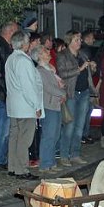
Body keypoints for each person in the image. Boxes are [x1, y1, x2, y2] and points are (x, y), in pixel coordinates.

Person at [5, 31, 43, 179]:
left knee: (15, 136)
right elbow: (28, 86)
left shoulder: (11, 59)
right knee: (24, 139)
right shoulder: (24, 60)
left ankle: (13, 166)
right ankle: (22, 169)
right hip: (25, 106)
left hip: (14, 105)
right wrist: (36, 106)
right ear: (23, 44)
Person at [57, 31, 97, 166]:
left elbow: (88, 73)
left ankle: (75, 154)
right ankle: (64, 155)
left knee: (80, 126)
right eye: (77, 40)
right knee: (69, 125)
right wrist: (79, 69)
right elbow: (62, 73)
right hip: (71, 93)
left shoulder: (83, 55)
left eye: (80, 39)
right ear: (70, 41)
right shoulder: (63, 55)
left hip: (84, 92)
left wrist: (92, 68)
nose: (80, 42)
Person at [0, 22, 19, 171]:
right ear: (10, 31)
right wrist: (7, 91)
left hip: (6, 93)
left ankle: (2, 158)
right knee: (2, 128)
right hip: (1, 93)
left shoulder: (7, 47)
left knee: (6, 128)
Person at [32, 43, 64, 174]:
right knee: (48, 135)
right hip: (48, 105)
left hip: (55, 104)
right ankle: (45, 164)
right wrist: (63, 94)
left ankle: (51, 162)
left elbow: (60, 84)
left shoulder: (49, 69)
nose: (48, 52)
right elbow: (48, 88)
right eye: (45, 51)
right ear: (39, 55)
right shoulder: (40, 71)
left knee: (55, 135)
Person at [80, 30, 99, 144]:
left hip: (87, 86)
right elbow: (88, 72)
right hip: (85, 87)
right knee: (85, 112)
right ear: (86, 38)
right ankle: (83, 135)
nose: (94, 40)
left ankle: (85, 134)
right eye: (92, 38)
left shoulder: (86, 50)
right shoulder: (85, 50)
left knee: (87, 112)